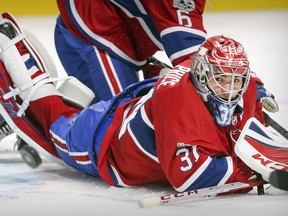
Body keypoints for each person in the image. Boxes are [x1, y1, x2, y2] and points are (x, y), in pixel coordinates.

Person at [0, 12, 283, 192]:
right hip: (105, 144)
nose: (231, 88)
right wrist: (251, 169)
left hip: (135, 106)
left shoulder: (244, 87)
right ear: (202, 73)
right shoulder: (178, 101)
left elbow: (248, 133)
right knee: (54, 128)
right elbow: (189, 176)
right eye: (222, 78)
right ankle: (23, 69)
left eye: (238, 79)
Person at [54, 0, 207, 103]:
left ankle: (153, 74)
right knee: (121, 118)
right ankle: (42, 108)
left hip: (104, 26)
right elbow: (191, 61)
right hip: (93, 30)